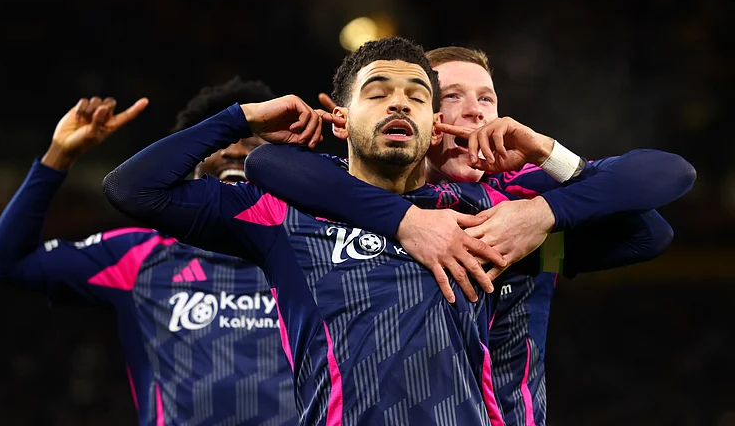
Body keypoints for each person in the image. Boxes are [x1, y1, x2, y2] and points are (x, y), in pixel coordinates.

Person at [102, 37, 674, 426]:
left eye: (418, 96)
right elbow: (133, 189)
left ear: (431, 128)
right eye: (377, 92)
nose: (399, 102)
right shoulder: (284, 213)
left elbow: (649, 227)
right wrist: (242, 118)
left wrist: (544, 199)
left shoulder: (486, 222)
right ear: (341, 119)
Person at [255, 46, 696, 425]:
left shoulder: (515, 201)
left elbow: (652, 225)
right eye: (452, 96)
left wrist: (546, 179)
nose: (475, 111)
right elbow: (268, 164)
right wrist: (406, 221)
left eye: (487, 97)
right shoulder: (346, 193)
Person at [0, 79, 300, 426]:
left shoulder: (315, 251)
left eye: (252, 140)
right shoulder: (136, 258)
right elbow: (5, 261)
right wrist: (60, 154)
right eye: (221, 141)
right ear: (188, 164)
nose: (235, 150)